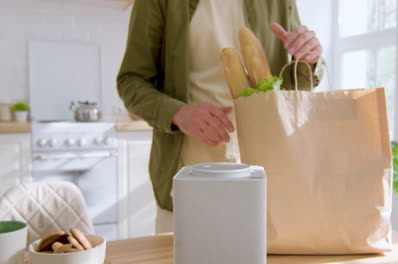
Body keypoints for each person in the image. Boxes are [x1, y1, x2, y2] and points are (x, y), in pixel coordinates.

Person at [117, 0, 323, 233]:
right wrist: (177, 112)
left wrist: (308, 58)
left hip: (267, 172)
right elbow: (130, 81)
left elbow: (293, 83)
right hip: (190, 172)